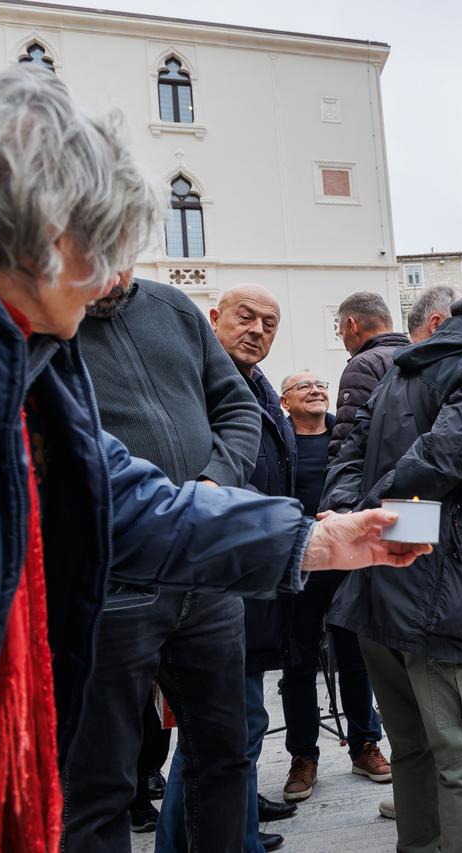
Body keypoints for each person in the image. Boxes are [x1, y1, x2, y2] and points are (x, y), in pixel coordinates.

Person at [0, 66, 428, 853]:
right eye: (109, 250)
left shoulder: (18, 338)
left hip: (174, 598)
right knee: (99, 781)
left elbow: (117, 491)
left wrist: (312, 538)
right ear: (52, 231)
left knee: (223, 750)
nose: (113, 281)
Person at [323, 265, 462, 853]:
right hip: (442, 589)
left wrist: (358, 519)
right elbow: (444, 459)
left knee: (413, 749)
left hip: (380, 580)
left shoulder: (403, 366)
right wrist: (378, 515)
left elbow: (347, 453)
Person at [153, 283, 296, 853]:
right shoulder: (194, 388)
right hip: (210, 582)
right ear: (213, 319)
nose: (257, 330)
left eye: (269, 322)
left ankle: (240, 830)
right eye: (245, 316)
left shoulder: (257, 389)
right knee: (216, 732)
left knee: (235, 727)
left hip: (251, 581)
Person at [276, 370, 391, 804]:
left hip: (346, 563)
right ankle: (303, 756)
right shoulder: (280, 442)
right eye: (302, 386)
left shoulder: (345, 438)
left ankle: (364, 745)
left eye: (320, 384)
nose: (315, 390)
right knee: (298, 663)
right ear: (284, 402)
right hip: (299, 564)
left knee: (355, 657)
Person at [330, 291, 411, 459]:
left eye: (342, 333)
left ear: (352, 325)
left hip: (379, 470)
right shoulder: (420, 356)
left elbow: (350, 439)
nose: (344, 344)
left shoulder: (362, 365)